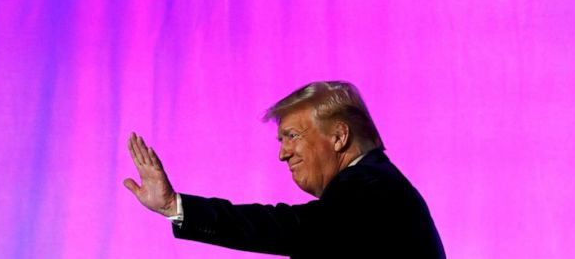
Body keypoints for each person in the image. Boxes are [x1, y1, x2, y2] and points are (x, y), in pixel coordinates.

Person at [124, 81, 446, 258]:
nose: (282, 154)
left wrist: (176, 207)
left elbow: (287, 227)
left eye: (291, 136)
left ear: (338, 136)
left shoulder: (373, 188)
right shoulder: (376, 185)